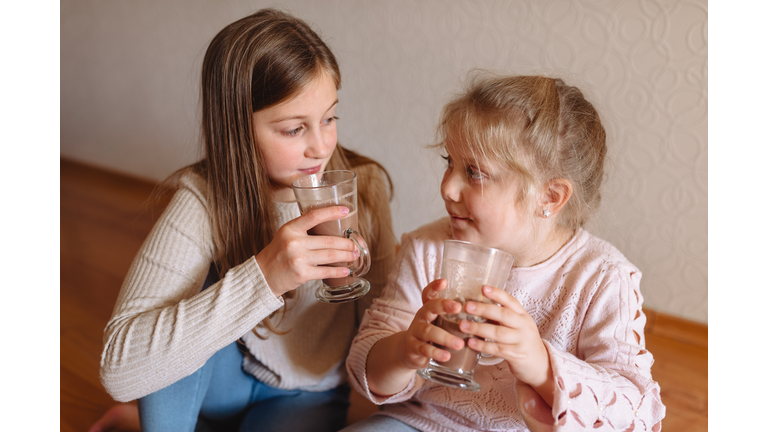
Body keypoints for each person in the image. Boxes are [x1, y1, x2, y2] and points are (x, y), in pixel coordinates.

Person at [90, 8, 396, 432]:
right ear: (237, 128)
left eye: (329, 118)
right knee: (177, 319)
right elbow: (119, 370)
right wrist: (267, 275)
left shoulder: (365, 188)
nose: (321, 147)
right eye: (294, 129)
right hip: (222, 376)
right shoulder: (203, 198)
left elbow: (383, 332)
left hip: (305, 391)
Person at [342, 74, 666, 431]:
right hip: (423, 423)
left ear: (550, 197)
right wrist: (406, 349)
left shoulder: (603, 278)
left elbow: (637, 414)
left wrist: (541, 364)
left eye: (474, 173)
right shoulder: (427, 249)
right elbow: (364, 368)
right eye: (449, 161)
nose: (448, 187)